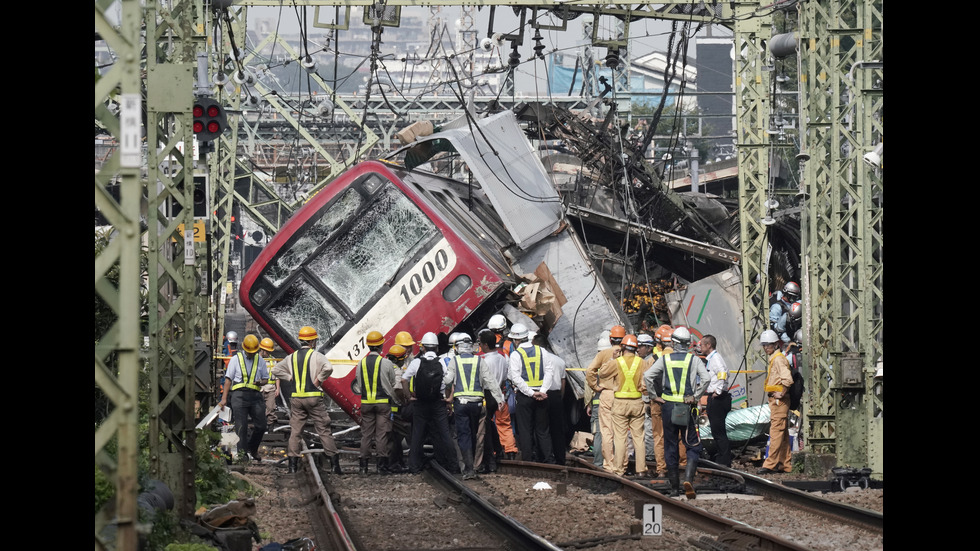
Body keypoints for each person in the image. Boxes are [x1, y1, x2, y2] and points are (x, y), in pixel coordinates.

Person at [643, 326, 710, 498]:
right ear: (688, 344)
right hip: (686, 407)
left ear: (673, 342)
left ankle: (674, 488)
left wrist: (654, 396)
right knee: (693, 444)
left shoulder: (664, 359)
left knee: (670, 445)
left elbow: (648, 376)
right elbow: (706, 379)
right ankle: (688, 478)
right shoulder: (693, 360)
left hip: (668, 406)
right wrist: (695, 396)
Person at [271, 326, 343, 474]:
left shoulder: (291, 357)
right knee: (323, 430)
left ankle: (292, 466)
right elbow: (328, 368)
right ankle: (335, 466)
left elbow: (275, 370)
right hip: (313, 398)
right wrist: (318, 380)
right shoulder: (317, 356)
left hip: (296, 398)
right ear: (312, 342)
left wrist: (289, 377)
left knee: (296, 432)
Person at [447, 332, 505, 479]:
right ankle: (475, 465)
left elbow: (447, 380)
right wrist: (499, 399)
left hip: (460, 403)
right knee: (475, 434)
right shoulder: (479, 361)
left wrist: (445, 394)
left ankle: (468, 468)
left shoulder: (455, 361)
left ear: (458, 347)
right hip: (477, 404)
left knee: (464, 435)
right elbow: (490, 381)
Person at [401, 332, 457, 473]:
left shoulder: (416, 362)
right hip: (438, 403)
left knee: (417, 435)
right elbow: (449, 382)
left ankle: (414, 466)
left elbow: (403, 380)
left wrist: (409, 397)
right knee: (445, 434)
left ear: (423, 348)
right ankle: (453, 465)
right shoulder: (442, 363)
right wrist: (448, 401)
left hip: (420, 404)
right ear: (437, 348)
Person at [598, 334, 648, 477]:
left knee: (620, 438)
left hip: (620, 403)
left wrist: (613, 358)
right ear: (636, 348)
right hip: (637, 402)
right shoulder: (642, 362)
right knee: (639, 438)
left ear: (623, 348)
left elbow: (602, 373)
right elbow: (646, 382)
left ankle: (619, 470)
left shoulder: (617, 362)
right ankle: (641, 470)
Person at [353, 331, 398, 474]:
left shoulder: (361, 364)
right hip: (383, 403)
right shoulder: (386, 363)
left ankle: (363, 467)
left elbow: (358, 385)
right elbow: (392, 382)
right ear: (381, 345)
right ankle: (382, 467)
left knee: (366, 434)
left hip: (366, 403)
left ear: (368, 346)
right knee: (381, 434)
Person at [508, 323, 554, 463]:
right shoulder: (542, 351)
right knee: (543, 430)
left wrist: (530, 393)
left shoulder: (516, 355)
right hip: (542, 395)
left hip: (525, 396)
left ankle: (528, 460)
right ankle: (547, 459)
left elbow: (515, 377)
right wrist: (542, 391)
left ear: (516, 340)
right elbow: (549, 371)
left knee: (525, 429)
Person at [219, 334, 268, 461]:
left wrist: (260, 382)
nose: (251, 354)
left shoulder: (260, 360)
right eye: (249, 352)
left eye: (253, 352)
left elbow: (265, 379)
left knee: (261, 426)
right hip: (239, 395)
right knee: (241, 426)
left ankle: (252, 448)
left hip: (255, 396)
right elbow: (228, 379)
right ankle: (242, 455)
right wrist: (224, 399)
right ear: (244, 349)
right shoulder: (236, 359)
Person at [585, 325, 625, 471]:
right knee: (621, 431)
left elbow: (590, 372)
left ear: (610, 338)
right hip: (623, 395)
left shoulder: (603, 355)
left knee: (604, 432)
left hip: (605, 395)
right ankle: (621, 464)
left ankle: (607, 464)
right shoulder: (626, 354)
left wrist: (596, 387)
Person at [758, 329, 794, 474]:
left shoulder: (778, 359)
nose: (766, 347)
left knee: (775, 432)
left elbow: (788, 379)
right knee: (782, 433)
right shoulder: (775, 358)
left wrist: (782, 393)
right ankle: (785, 464)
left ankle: (770, 464)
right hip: (776, 401)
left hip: (779, 401)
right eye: (764, 345)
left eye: (768, 345)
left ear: (775, 344)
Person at [477, 330, 510, 471]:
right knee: (490, 424)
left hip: (487, 394)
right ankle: (499, 450)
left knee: (486, 427)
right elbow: (504, 378)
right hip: (498, 394)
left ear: (485, 345)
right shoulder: (502, 359)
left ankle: (490, 458)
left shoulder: (484, 361)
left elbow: (482, 381)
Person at [533, 331, 567, 465]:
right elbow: (563, 381)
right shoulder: (560, 361)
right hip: (556, 395)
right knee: (557, 429)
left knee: (542, 428)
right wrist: (560, 397)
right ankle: (560, 457)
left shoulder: (538, 360)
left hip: (542, 395)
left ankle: (546, 457)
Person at [699, 335, 732, 467]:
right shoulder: (713, 359)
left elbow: (723, 373)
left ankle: (724, 460)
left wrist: (718, 391)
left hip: (718, 399)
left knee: (718, 431)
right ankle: (722, 456)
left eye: (702, 345)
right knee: (716, 430)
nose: (700, 347)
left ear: (708, 345)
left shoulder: (715, 359)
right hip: (717, 397)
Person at [386, 343, 411, 473]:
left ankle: (397, 462)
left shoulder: (384, 367)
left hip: (385, 407)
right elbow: (397, 388)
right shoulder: (396, 370)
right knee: (397, 436)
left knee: (394, 437)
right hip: (394, 410)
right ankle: (394, 463)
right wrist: (403, 401)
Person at [258, 337, 281, 432]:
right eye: (267, 351)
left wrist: (277, 388)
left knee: (271, 408)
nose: (268, 353)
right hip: (258, 389)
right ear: (262, 350)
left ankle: (270, 427)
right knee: (258, 410)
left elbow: (277, 376)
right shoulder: (256, 360)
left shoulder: (273, 360)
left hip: (270, 389)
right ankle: (259, 428)